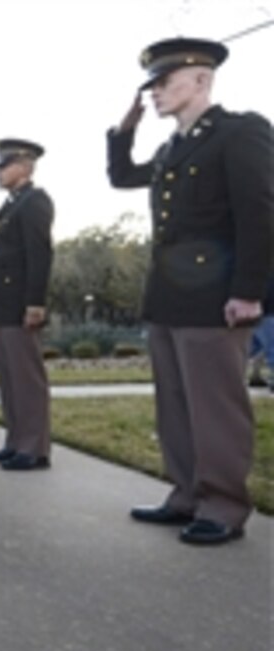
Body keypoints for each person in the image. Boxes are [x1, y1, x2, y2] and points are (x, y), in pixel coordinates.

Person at [108, 37, 273, 544]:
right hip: (170, 296)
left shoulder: (240, 132)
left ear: (201, 80)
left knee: (215, 406)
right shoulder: (170, 148)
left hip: (218, 297)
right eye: (151, 85)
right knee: (175, 404)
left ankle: (223, 506)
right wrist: (123, 131)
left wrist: (250, 291)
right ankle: (186, 494)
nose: (154, 92)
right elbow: (122, 177)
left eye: (164, 82)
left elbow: (261, 213)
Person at [0, 138, 54, 471]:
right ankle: (15, 440)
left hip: (19, 303)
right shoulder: (11, 205)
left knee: (26, 379)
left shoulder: (34, 202)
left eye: (4, 165)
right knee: (9, 379)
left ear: (24, 166)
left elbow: (39, 255)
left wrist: (35, 303)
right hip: (1, 303)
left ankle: (34, 447)